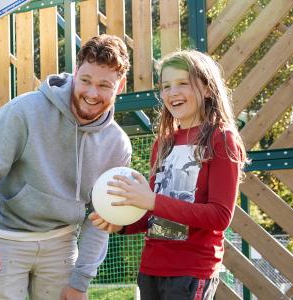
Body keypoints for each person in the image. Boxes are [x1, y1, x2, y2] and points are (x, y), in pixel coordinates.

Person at [0, 34, 133, 300]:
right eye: (86, 80)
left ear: (120, 85)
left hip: (62, 242)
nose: (92, 93)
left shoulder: (117, 145)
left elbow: (100, 219)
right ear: (76, 71)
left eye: (104, 85)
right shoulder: (22, 111)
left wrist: (80, 281)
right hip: (5, 237)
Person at [90, 50, 246, 300]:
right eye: (166, 86)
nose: (172, 92)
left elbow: (219, 216)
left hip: (191, 271)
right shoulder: (163, 143)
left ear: (207, 89)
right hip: (151, 269)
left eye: (183, 83)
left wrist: (150, 200)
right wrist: (120, 225)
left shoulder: (221, 139)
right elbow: (155, 215)